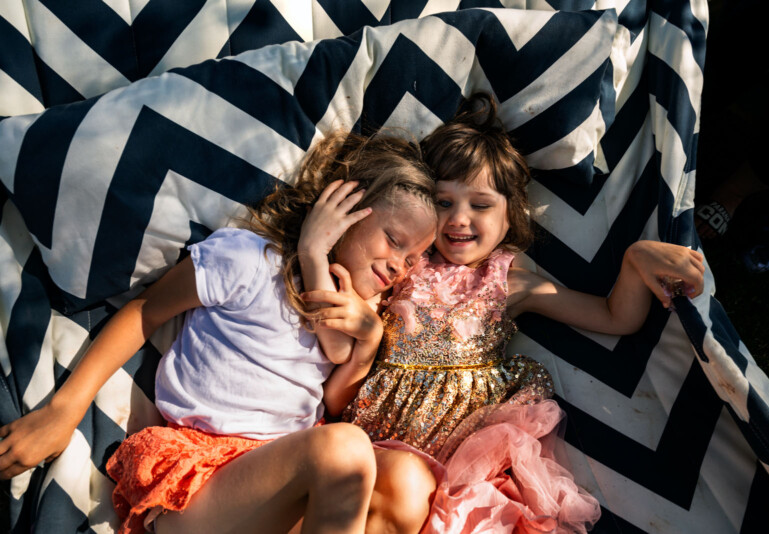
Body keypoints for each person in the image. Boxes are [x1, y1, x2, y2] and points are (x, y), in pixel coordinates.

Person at [0, 131, 439, 534]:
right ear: (340, 209)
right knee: (343, 451)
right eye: (394, 240)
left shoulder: (354, 308)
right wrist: (63, 411)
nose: (401, 265)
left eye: (416, 256)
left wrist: (369, 344)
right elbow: (146, 312)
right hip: (202, 485)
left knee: (410, 479)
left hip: (284, 484)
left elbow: (334, 403)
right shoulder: (249, 260)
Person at [312, 94, 706, 533]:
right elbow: (339, 378)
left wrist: (635, 259)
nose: (459, 219)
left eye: (480, 205)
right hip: (370, 450)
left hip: (457, 469)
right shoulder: (400, 266)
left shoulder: (507, 279)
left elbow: (617, 318)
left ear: (509, 214)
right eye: (443, 203)